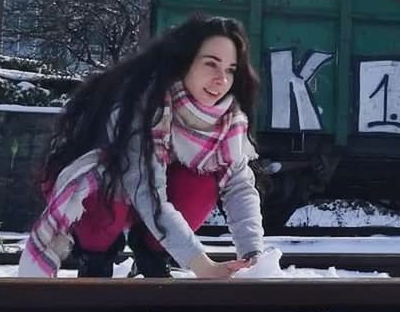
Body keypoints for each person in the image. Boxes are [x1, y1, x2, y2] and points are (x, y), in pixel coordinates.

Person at [18, 16, 264, 279]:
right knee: (110, 189)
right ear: (183, 63)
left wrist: (253, 254)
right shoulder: (142, 103)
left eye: (230, 69)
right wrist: (202, 265)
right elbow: (146, 192)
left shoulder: (228, 120)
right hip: (92, 182)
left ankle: (153, 255)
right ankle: (95, 258)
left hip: (144, 192)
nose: (221, 80)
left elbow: (239, 185)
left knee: (201, 185)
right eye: (211, 65)